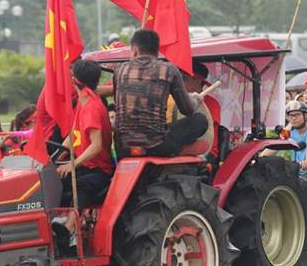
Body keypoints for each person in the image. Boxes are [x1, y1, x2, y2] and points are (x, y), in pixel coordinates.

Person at [112, 29, 207, 157]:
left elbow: (118, 104)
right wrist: (196, 100)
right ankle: (180, 150)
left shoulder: (120, 70)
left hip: (123, 148)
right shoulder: (168, 70)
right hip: (156, 146)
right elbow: (187, 110)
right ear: (157, 51)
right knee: (200, 120)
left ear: (134, 49)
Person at [54, 59, 115, 246]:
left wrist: (73, 163)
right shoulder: (84, 101)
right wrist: (55, 158)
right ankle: (53, 224)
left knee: (80, 185)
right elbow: (73, 135)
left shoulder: (92, 107)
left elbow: (96, 146)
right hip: (85, 165)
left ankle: (69, 228)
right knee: (50, 180)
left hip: (99, 170)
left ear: (74, 80)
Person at [173, 60, 221, 158]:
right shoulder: (173, 98)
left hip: (206, 152)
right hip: (180, 148)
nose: (179, 83)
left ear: (198, 81)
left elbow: (204, 135)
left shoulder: (211, 103)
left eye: (184, 79)